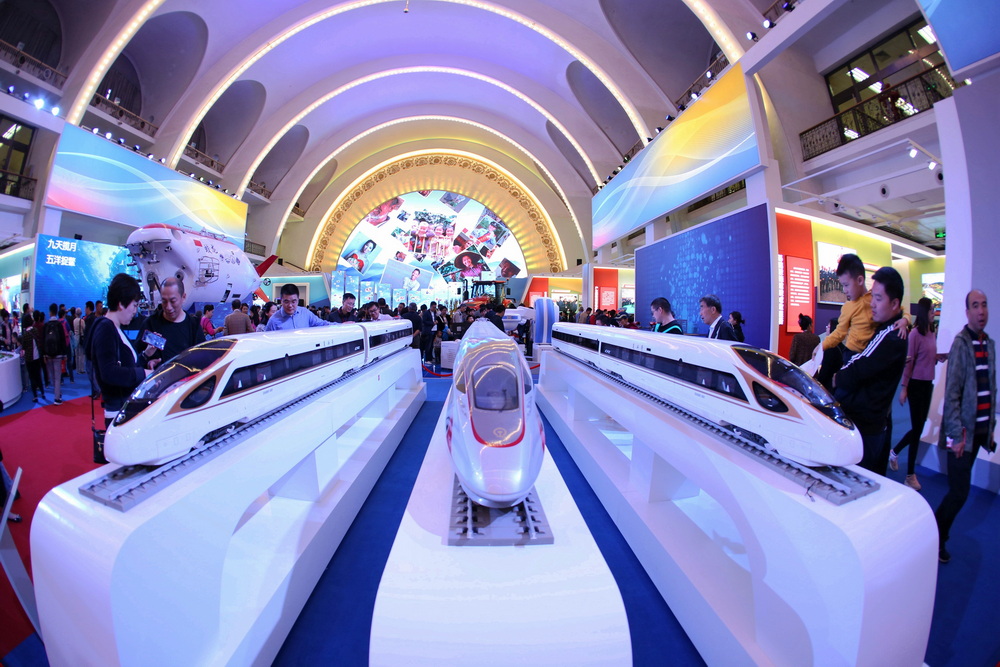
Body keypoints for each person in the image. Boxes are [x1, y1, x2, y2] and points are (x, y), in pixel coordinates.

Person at [935, 289, 995, 564]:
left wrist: (990, 429)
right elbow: (953, 394)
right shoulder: (961, 344)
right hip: (962, 436)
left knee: (959, 491)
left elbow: (990, 388)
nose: (981, 311)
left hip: (979, 432)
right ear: (967, 312)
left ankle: (936, 535)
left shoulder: (988, 344)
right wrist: (955, 435)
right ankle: (936, 537)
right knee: (959, 493)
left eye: (984, 305)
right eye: (975, 306)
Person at [833, 267, 908, 474]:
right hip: (870, 424)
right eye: (872, 296)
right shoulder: (885, 329)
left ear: (894, 304)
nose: (872, 303)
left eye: (878, 298)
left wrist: (838, 376)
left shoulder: (890, 335)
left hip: (865, 426)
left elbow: (857, 368)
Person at [89, 274, 154, 461]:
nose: (135, 311)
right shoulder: (106, 328)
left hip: (124, 409)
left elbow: (125, 364)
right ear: (121, 304)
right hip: (118, 411)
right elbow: (109, 372)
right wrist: (143, 373)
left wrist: (145, 356)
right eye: (134, 305)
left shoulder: (114, 328)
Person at [887, 298, 938, 490]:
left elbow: (927, 357)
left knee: (919, 427)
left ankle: (894, 452)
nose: (934, 312)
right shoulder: (915, 334)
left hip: (928, 384)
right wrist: (904, 387)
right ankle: (910, 475)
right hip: (915, 385)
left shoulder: (932, 332)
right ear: (924, 312)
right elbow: (910, 362)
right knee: (917, 429)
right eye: (932, 309)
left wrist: (938, 357)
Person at [136, 277, 206, 368]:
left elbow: (203, 360)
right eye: (164, 301)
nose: (168, 307)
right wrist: (147, 363)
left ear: (183, 297)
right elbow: (137, 359)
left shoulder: (194, 327)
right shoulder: (150, 324)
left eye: (173, 301)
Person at [265, 284, 329, 330]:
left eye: (293, 301)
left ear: (298, 300)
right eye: (286, 302)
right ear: (281, 300)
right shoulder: (273, 320)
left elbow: (322, 324)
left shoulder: (305, 313)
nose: (290, 305)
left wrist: (335, 326)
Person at [42, 303, 70, 405]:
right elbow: (63, 340)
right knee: (58, 376)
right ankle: (57, 398)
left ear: (50, 312)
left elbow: (43, 340)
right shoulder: (59, 325)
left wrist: (44, 354)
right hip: (58, 354)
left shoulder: (46, 325)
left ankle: (57, 393)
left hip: (48, 354)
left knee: (52, 376)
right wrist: (65, 354)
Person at [21, 310, 44, 402]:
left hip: (29, 358)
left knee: (32, 377)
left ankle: (35, 396)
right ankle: (42, 392)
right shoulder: (35, 330)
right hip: (37, 356)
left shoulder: (25, 334)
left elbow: (24, 347)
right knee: (38, 375)